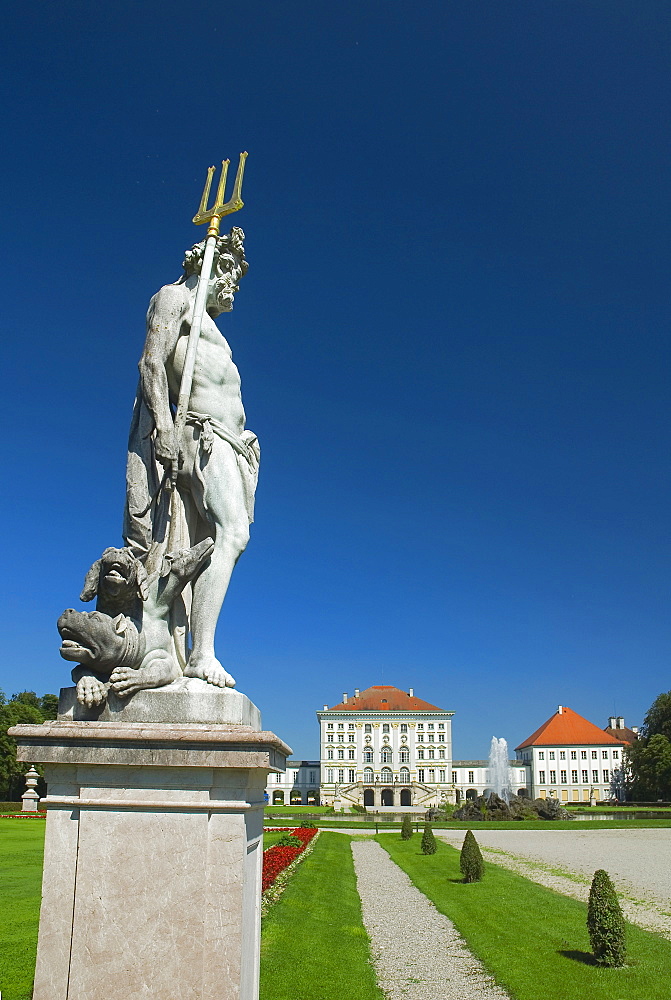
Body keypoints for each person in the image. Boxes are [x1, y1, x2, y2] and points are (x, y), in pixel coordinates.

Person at [124, 227, 259, 688]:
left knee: (202, 547)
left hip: (233, 444)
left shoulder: (210, 323)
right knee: (233, 534)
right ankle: (202, 653)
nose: (234, 288)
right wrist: (163, 424)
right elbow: (151, 362)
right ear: (211, 265)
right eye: (232, 276)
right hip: (201, 435)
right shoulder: (173, 297)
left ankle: (181, 647)